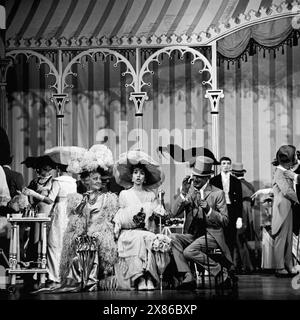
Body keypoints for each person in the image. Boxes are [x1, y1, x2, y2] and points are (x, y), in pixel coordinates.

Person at [169, 156, 234, 290]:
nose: (195, 179)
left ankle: (219, 271)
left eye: (199, 176)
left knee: (188, 251)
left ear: (207, 178)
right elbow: (174, 212)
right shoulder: (191, 191)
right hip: (194, 234)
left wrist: (209, 210)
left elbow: (225, 221)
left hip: (212, 235)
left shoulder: (218, 193)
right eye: (194, 176)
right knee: (173, 238)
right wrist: (183, 193)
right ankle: (188, 275)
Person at [23, 147, 79, 286]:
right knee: (66, 244)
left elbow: (49, 200)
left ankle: (54, 277)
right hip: (69, 213)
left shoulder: (57, 181)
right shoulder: (73, 182)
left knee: (54, 245)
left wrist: (33, 194)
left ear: (58, 168)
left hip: (59, 212)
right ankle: (67, 276)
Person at [113, 150, 165, 291]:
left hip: (145, 231)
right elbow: (121, 215)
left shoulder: (150, 196)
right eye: (136, 172)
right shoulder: (124, 194)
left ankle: (149, 277)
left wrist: (157, 212)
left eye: (141, 173)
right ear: (131, 176)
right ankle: (140, 277)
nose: (138, 176)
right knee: (139, 239)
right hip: (128, 233)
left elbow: (156, 215)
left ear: (145, 178)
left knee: (148, 237)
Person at [270, 145, 299, 277]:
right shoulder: (279, 172)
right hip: (282, 209)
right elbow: (286, 190)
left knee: (287, 238)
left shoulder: (285, 171)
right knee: (281, 238)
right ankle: (279, 266)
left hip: (288, 208)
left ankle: (288, 264)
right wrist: (299, 200)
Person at [210, 156, 243, 265]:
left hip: (232, 210)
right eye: (223, 163)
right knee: (219, 238)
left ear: (230, 165)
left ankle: (230, 265)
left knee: (231, 238)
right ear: (220, 166)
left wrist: (239, 217)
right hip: (219, 211)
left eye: (228, 163)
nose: (226, 165)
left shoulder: (236, 181)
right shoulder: (214, 180)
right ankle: (221, 264)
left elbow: (239, 200)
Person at [231, 162, 255, 273]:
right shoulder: (250, 186)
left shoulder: (234, 185)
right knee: (245, 241)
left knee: (237, 241)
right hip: (249, 217)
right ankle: (249, 266)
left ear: (233, 174)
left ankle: (239, 266)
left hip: (239, 215)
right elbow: (253, 202)